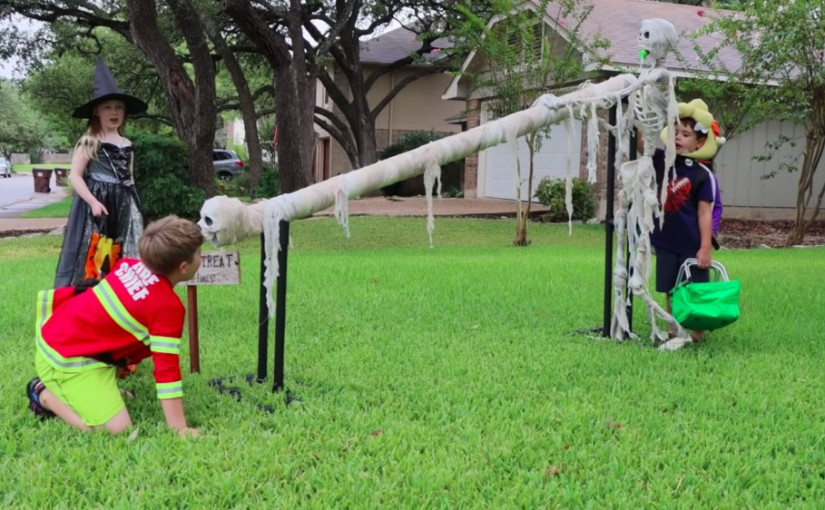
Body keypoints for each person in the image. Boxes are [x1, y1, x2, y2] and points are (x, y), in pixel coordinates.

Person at [26, 215, 203, 437]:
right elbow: (167, 370)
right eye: (199, 253)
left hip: (62, 335)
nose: (201, 257)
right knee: (118, 430)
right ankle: (42, 394)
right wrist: (179, 428)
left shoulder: (129, 264)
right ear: (183, 267)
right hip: (64, 358)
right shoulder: (168, 308)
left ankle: (103, 388)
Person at [54, 59, 148, 288]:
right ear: (97, 111)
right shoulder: (90, 141)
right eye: (108, 107)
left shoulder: (127, 143)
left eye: (119, 107)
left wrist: (135, 205)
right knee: (97, 252)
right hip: (99, 205)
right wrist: (93, 202)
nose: (114, 112)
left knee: (128, 246)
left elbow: (130, 177)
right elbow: (75, 175)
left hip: (125, 203)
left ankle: (125, 295)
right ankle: (92, 298)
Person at [649, 99, 724, 342]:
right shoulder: (661, 162)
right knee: (670, 288)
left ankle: (697, 334)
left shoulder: (701, 174)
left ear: (699, 142)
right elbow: (640, 144)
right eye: (674, 132)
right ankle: (673, 330)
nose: (678, 137)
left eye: (685, 134)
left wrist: (704, 246)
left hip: (691, 243)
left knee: (695, 289)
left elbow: (705, 213)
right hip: (666, 240)